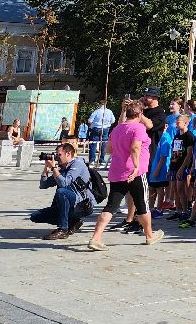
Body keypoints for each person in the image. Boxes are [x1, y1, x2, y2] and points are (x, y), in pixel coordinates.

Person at [86, 100, 162, 250]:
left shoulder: (117, 129)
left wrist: (121, 149)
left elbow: (108, 149)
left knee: (111, 206)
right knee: (142, 205)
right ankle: (149, 235)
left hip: (117, 172)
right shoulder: (138, 128)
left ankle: (96, 237)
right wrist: (135, 165)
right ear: (140, 114)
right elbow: (135, 148)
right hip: (135, 173)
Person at [31, 141, 95, 240]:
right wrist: (46, 168)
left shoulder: (78, 164)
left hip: (81, 204)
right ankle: (73, 221)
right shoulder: (61, 168)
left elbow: (64, 183)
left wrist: (54, 167)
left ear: (68, 154)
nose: (56, 157)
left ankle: (63, 229)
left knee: (62, 192)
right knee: (35, 216)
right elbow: (43, 185)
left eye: (59, 154)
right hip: (67, 204)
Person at [86, 100, 115, 165]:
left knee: (93, 144)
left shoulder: (96, 111)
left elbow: (90, 120)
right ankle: (102, 160)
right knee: (103, 144)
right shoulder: (109, 111)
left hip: (96, 128)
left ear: (100, 104)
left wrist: (94, 124)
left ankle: (92, 160)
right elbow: (113, 120)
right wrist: (107, 123)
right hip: (105, 128)